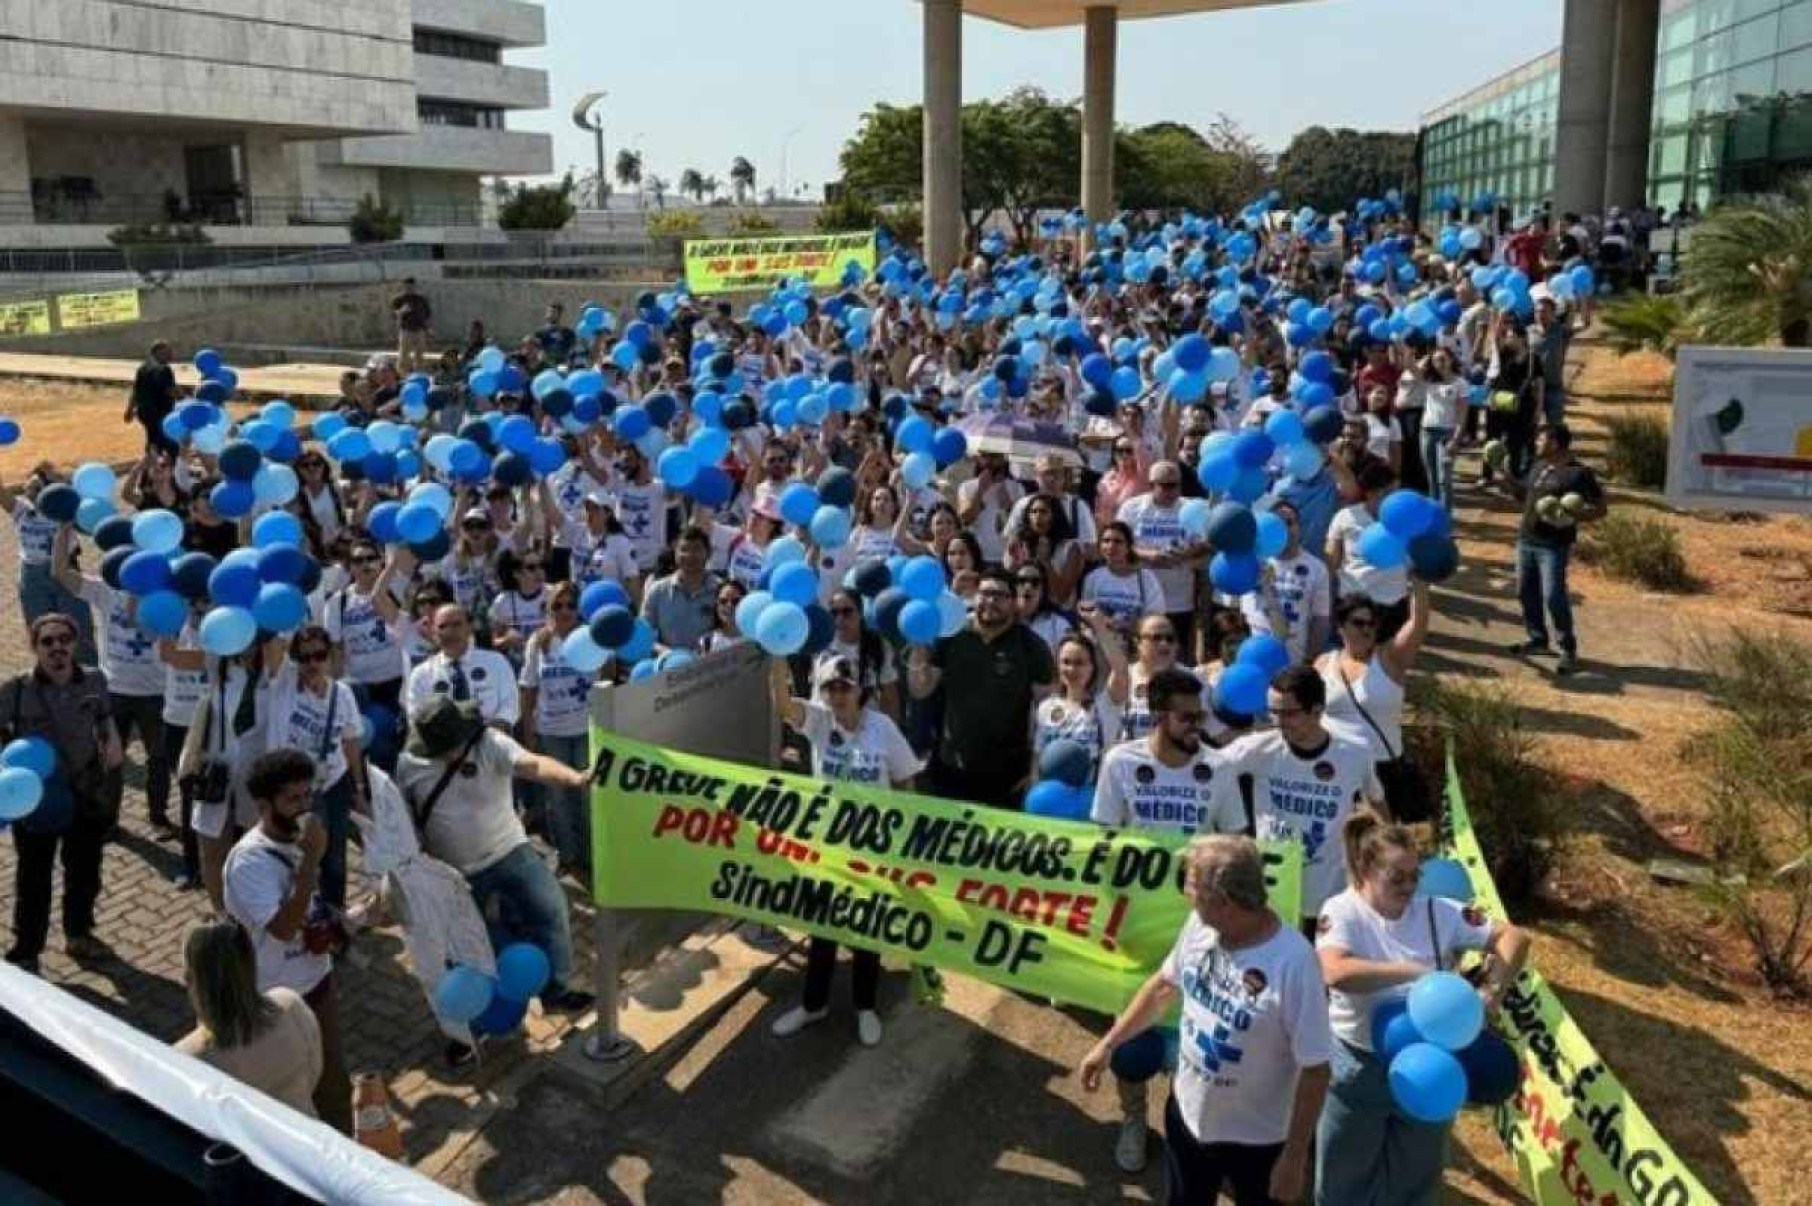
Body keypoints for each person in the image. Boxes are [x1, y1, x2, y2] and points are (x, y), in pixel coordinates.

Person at [1080, 836, 1331, 1203]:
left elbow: (1316, 1068)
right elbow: (1164, 987)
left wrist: (1294, 1157)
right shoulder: (1201, 927)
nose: (1188, 901)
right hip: (1187, 1119)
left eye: (1193, 893)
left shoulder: (1296, 964)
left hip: (1259, 1142)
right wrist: (1108, 1044)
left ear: (1225, 902)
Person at [1315, 814, 1531, 1206]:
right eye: (1396, 878)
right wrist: (1415, 973)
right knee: (1343, 1181)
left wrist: (1492, 993)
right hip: (1358, 1065)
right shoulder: (1341, 910)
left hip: (1432, 1065)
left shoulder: (1439, 910)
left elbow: (1513, 937)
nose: (1409, 887)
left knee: (1416, 1178)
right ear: (1365, 869)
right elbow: (1335, 971)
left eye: (1415, 876)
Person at [394, 696, 596, 1053]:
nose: (452, 755)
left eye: (455, 746)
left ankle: (557, 990)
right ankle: (473, 1024)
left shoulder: (490, 743)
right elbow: (405, 818)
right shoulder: (409, 765)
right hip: (456, 874)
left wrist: (574, 778)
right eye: (442, 749)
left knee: (551, 912)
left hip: (510, 850)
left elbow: (532, 765)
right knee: (472, 950)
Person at [767, 657, 923, 1047]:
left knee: (866, 929)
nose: (837, 695)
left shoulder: (883, 727)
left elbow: (906, 781)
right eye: (830, 688)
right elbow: (785, 707)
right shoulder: (819, 720)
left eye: (844, 687)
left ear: (860, 690)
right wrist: (776, 661)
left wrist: (906, 840)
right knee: (822, 931)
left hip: (875, 848)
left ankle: (865, 1007)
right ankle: (813, 1005)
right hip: (828, 848)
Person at [223, 749, 352, 1132]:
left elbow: (311, 912)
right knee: (290, 1099)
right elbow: (282, 928)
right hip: (273, 998)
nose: (303, 807)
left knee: (334, 1088)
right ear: (264, 805)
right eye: (292, 800)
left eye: (306, 796)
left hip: (316, 984)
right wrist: (312, 860)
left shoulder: (299, 840)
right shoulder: (249, 863)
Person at [0, 613, 123, 974]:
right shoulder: (16, 689)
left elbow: (104, 716)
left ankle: (79, 935)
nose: (57, 647)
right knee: (33, 877)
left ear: (76, 643)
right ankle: (27, 949)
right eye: (47, 641)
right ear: (35, 648)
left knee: (85, 873)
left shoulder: (96, 680)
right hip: (35, 802)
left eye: (64, 639)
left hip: (85, 793)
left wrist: (111, 737)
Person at [1219, 666, 1383, 931]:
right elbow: (1207, 768)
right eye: (1274, 712)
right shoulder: (1258, 748)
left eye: (1289, 713)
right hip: (1270, 894)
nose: (1279, 722)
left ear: (1317, 710)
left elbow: (1376, 800)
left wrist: (1386, 848)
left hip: (1327, 896)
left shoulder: (1355, 753)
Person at [53, 523, 172, 838]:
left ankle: (158, 817)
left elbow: (145, 623)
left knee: (158, 759)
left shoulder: (166, 598)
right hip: (113, 691)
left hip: (156, 693)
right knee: (109, 760)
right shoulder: (104, 591)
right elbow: (61, 574)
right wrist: (64, 530)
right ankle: (109, 820)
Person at [906, 567, 1055, 807]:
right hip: (950, 769)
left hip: (1008, 777)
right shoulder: (950, 635)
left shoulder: (1032, 647)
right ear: (975, 595)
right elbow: (920, 689)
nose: (991, 601)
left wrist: (1035, 770)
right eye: (985, 593)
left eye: (1000, 596)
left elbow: (1047, 715)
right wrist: (919, 642)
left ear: (1014, 601)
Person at [175, 918, 323, 1119]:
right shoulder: (291, 1005)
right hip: (308, 1138)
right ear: (250, 963)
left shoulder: (185, 1060)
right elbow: (315, 1070)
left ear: (193, 979)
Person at [263, 626, 366, 909]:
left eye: (319, 656)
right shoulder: (283, 684)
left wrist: (358, 788)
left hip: (333, 785)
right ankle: (300, 912)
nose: (312, 664)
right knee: (299, 855)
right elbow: (272, 645)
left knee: (335, 856)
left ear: (330, 657)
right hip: (293, 791)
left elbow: (351, 742)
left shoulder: (343, 693)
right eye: (304, 657)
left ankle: (333, 915)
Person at [1502, 423, 1606, 677]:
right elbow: (1525, 496)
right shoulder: (1539, 466)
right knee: (1525, 591)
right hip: (1526, 540)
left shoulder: (1578, 474)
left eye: (1541, 439)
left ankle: (1567, 649)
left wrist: (1575, 515)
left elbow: (1601, 509)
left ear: (1555, 443)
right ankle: (1538, 639)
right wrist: (1505, 474)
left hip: (1553, 546)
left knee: (1553, 596)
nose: (1536, 443)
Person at [519, 582, 598, 880]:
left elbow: (609, 679)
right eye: (557, 606)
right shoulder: (538, 643)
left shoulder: (593, 638)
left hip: (588, 730)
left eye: (570, 605)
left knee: (590, 798)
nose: (565, 611)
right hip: (552, 731)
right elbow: (528, 689)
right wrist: (528, 730)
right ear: (548, 610)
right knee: (559, 798)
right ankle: (570, 857)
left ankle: (593, 856)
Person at [1318, 584, 1430, 792]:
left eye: (1371, 624)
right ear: (1340, 627)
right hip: (1333, 769)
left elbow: (1418, 624)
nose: (1366, 629)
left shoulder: (1389, 658)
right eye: (1358, 623)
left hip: (1381, 768)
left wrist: (1419, 584)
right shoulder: (1323, 663)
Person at [1118, 462, 1210, 654]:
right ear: (1151, 485)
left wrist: (1187, 553)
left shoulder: (1192, 508)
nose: (1171, 491)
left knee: (1176, 651)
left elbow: (1208, 543)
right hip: (1140, 595)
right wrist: (1148, 555)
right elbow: (1118, 543)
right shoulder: (1132, 508)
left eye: (1175, 485)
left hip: (1179, 597)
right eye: (1165, 486)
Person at [1029, 615, 1129, 790]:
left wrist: (1098, 627)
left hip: (1090, 798)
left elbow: (1121, 670)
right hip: (1050, 797)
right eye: (1066, 662)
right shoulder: (1046, 707)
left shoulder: (1105, 705)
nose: (1072, 669)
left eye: (1080, 663)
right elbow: (1037, 759)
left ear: (1092, 667)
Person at [1326, 463, 1410, 639]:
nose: (1396, 498)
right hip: (1353, 605)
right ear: (1372, 492)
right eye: (1390, 492)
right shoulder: (1345, 517)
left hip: (1392, 605)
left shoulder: (1405, 521)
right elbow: (1332, 561)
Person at [1243, 501, 1331, 667]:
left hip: (1295, 663)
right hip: (1257, 662)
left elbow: (1321, 621)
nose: (1284, 529)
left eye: (1289, 523)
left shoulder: (1317, 568)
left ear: (1299, 527)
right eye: (1277, 524)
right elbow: (1247, 616)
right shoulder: (1253, 564)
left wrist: (1309, 661)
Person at [404, 604, 520, 728]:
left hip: (493, 739)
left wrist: (485, 735)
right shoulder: (421, 674)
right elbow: (415, 717)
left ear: (469, 628)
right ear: (433, 632)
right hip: (443, 743)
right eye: (442, 626)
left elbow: (510, 706)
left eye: (456, 625)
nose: (450, 632)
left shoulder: (496, 662)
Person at [641, 526, 721, 653]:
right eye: (684, 550)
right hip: (668, 666)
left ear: (709, 553)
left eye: (696, 549)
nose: (690, 555)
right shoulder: (657, 591)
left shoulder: (721, 590)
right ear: (675, 554)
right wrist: (669, 655)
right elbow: (643, 637)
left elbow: (730, 634)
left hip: (710, 666)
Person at [1080, 521, 1166, 639]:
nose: (1111, 546)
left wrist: (1127, 626)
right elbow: (1086, 617)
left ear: (1129, 547)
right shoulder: (1093, 578)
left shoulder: (1147, 579)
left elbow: (1156, 619)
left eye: (1118, 541)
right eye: (1106, 541)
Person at [1417, 350, 1466, 512]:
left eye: (1443, 359)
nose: (1440, 363)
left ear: (1451, 359)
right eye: (1436, 360)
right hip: (1427, 432)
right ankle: (1433, 514)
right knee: (1431, 476)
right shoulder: (1428, 380)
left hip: (1448, 434)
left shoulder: (1460, 384)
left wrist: (1456, 439)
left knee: (1445, 478)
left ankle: (1446, 516)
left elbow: (1462, 414)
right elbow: (1409, 367)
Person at [126, 339, 181, 456]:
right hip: (160, 414)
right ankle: (168, 469)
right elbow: (171, 390)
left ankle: (151, 467)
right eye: (167, 353)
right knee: (170, 444)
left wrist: (130, 410)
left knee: (153, 441)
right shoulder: (164, 369)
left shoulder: (143, 368)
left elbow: (136, 390)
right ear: (158, 353)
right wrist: (185, 400)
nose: (171, 355)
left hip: (144, 413)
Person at [391, 277, 433, 373]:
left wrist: (428, 329)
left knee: (420, 354)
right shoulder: (399, 299)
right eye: (407, 286)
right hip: (406, 330)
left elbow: (427, 314)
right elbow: (393, 314)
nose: (409, 288)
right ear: (404, 286)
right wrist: (401, 311)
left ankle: (419, 372)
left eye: (411, 286)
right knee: (404, 355)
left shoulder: (421, 299)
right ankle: (401, 373)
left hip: (419, 330)